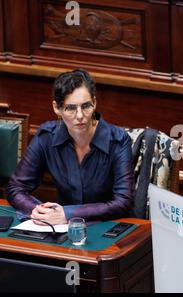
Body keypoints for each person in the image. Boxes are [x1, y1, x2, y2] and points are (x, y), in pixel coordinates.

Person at [7, 69, 134, 225]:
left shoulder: (118, 141)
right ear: (57, 108)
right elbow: (16, 188)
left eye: (86, 106)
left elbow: (123, 202)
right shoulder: (47, 137)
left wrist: (67, 214)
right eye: (71, 108)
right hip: (61, 229)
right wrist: (40, 212)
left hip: (106, 227)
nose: (80, 115)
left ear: (94, 103)